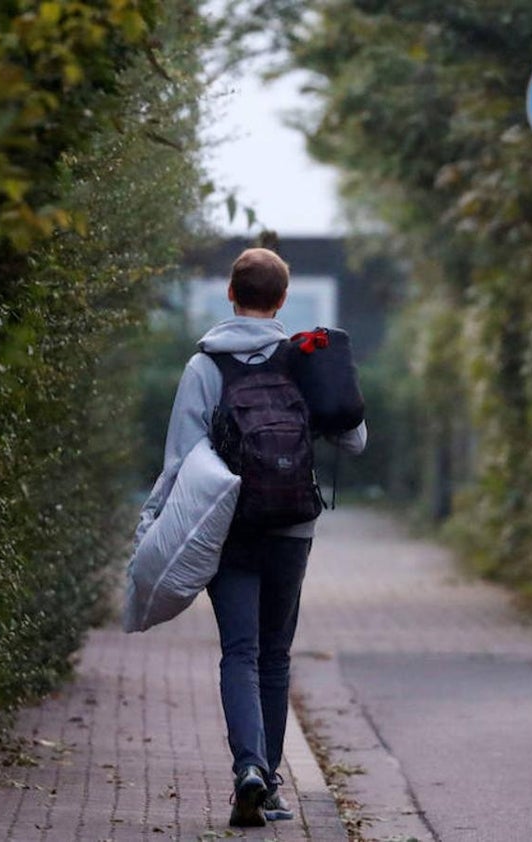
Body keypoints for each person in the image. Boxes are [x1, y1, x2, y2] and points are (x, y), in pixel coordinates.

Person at [136, 247, 367, 827]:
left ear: (231, 295)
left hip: (230, 524)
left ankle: (249, 769)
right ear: (283, 299)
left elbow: (180, 459)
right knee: (275, 654)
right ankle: (274, 786)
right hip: (292, 525)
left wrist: (151, 524)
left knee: (238, 650)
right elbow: (355, 440)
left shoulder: (204, 366)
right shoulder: (305, 358)